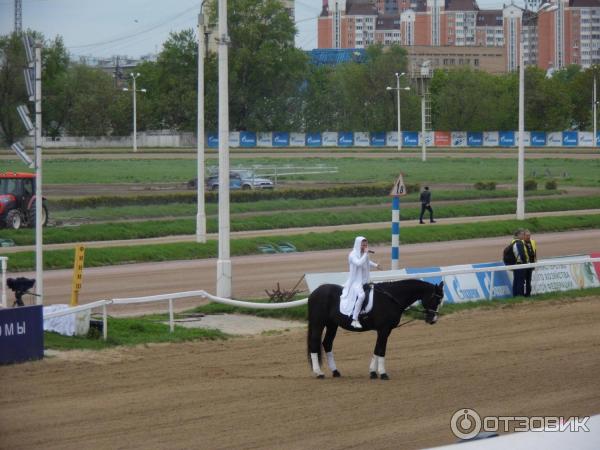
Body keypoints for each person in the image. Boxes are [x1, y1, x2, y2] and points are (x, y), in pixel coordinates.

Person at [340, 236, 380, 329]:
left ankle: (367, 313)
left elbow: (367, 261)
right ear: (358, 244)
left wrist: (376, 265)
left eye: (366, 245)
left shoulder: (363, 254)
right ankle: (354, 319)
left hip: (365, 280)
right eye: (363, 245)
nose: (365, 246)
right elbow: (358, 263)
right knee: (361, 296)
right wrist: (366, 253)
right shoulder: (352, 255)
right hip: (355, 281)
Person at [511, 229, 529, 297]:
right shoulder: (519, 243)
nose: (523, 236)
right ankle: (520, 296)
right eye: (522, 234)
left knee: (516, 281)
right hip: (520, 264)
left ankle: (515, 296)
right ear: (518, 235)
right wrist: (525, 263)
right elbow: (522, 254)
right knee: (520, 281)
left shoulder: (513, 242)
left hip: (515, 264)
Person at [523, 229, 537, 297]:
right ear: (524, 236)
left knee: (529, 280)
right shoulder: (521, 243)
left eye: (529, 235)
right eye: (527, 235)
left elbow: (535, 252)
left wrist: (535, 262)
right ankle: (521, 294)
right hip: (524, 265)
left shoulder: (533, 242)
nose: (528, 237)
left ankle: (528, 294)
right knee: (523, 281)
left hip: (531, 264)